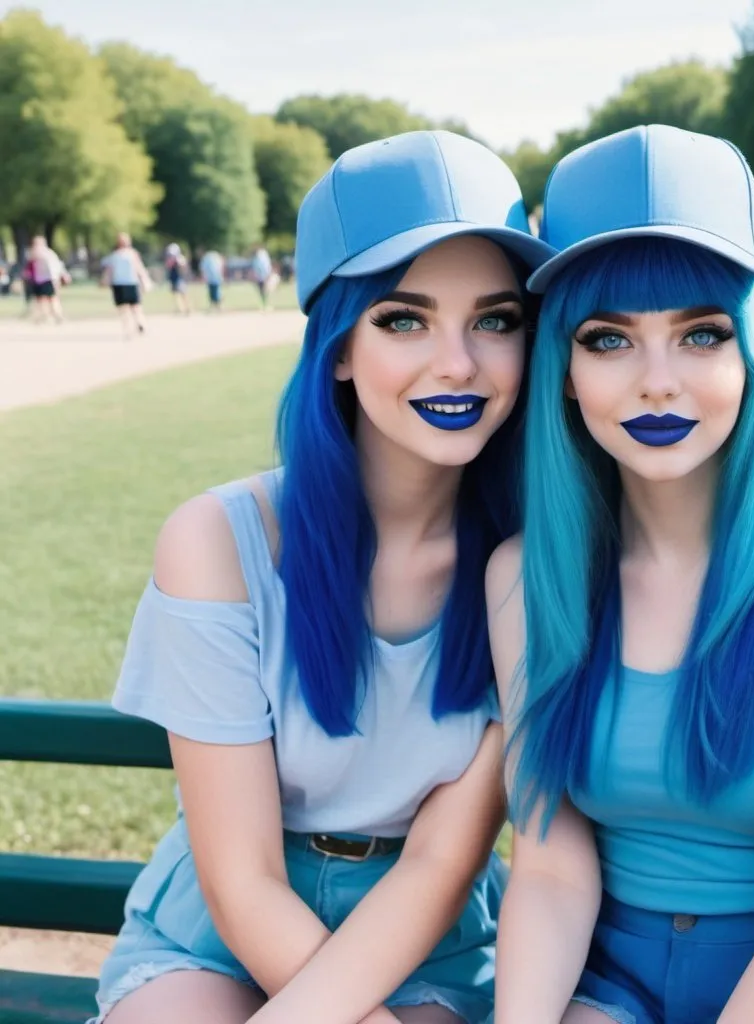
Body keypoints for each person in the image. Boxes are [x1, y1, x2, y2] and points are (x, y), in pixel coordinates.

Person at [90, 129, 554, 1024]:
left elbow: (440, 860)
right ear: (339, 345)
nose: (457, 362)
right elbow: (243, 877)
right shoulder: (220, 542)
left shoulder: (527, 568)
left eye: (495, 321)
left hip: (424, 937)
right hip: (219, 933)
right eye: (403, 319)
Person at [486, 125, 754, 1024]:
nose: (657, 382)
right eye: (609, 340)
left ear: (753, 347)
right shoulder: (525, 576)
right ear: (563, 371)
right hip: (611, 981)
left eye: (701, 333)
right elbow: (550, 869)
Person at [100, 233, 150, 337]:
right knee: (135, 306)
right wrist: (144, 280)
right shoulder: (131, 254)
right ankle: (139, 323)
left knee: (124, 309)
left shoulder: (115, 255)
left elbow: (109, 271)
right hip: (130, 282)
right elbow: (139, 268)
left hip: (120, 283)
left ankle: (129, 329)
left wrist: (104, 281)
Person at [27, 235, 67, 324]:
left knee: (52, 299)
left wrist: (55, 279)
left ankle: (57, 315)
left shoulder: (48, 254)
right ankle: (41, 317)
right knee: (39, 300)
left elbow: (55, 267)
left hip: (48, 280)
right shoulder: (34, 255)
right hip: (38, 281)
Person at [165, 242, 192, 314]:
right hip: (173, 278)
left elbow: (184, 268)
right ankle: (180, 308)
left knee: (183, 293)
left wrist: (179, 263)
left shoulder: (180, 258)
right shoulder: (170, 259)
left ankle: (187, 307)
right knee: (175, 294)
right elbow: (168, 267)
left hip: (180, 278)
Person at [199, 247, 226, 312]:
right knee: (214, 293)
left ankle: (218, 306)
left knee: (215, 293)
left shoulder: (207, 259)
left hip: (213, 278)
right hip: (213, 278)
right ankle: (216, 307)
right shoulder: (214, 258)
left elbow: (203, 269)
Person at [250, 244, 276, 310]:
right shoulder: (257, 258)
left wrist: (267, 275)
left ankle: (266, 305)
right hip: (261, 277)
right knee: (262, 291)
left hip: (263, 276)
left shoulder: (261, 257)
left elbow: (265, 267)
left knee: (265, 291)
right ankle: (264, 305)